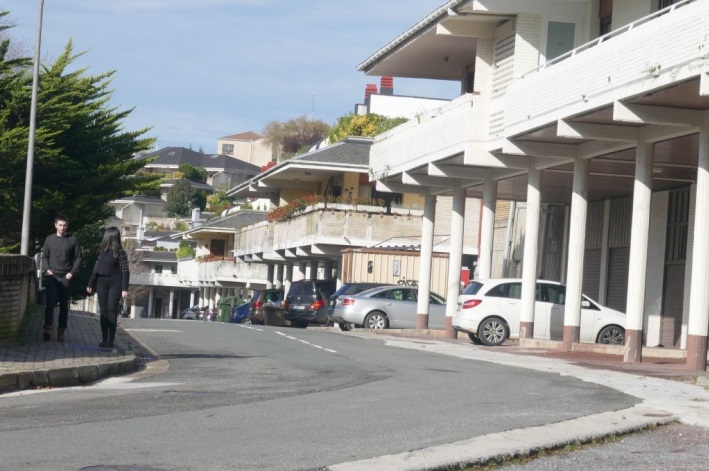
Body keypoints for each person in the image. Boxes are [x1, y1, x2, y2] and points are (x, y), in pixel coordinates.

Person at [41, 214, 83, 342]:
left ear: (67, 225)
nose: (62, 228)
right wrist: (47, 269)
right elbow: (44, 257)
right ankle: (48, 328)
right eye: (60, 225)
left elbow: (79, 258)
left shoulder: (73, 240)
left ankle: (61, 331)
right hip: (52, 276)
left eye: (64, 225)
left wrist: (72, 273)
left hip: (66, 277)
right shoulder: (49, 240)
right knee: (50, 303)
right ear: (55, 225)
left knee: (64, 306)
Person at [86, 227, 130, 348]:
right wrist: (90, 284)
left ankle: (111, 339)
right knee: (103, 311)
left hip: (115, 283)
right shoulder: (102, 251)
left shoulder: (120, 252)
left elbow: (125, 271)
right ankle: (104, 339)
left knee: (111, 310)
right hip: (101, 283)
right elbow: (96, 269)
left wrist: (124, 289)